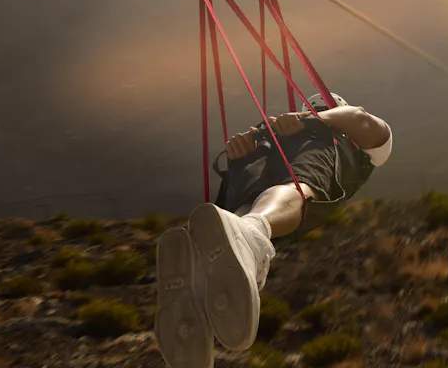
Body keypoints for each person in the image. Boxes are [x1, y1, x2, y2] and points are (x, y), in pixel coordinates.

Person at [154, 93, 392, 368]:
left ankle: (249, 239)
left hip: (308, 174)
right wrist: (245, 153)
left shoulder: (364, 143)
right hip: (282, 188)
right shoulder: (290, 135)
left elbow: (359, 120)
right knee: (247, 203)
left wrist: (309, 121)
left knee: (297, 186)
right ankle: (217, 282)